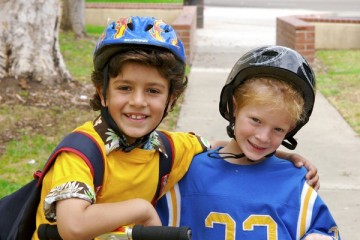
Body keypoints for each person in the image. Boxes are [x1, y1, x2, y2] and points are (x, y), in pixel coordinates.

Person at [33, 16, 318, 240]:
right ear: (102, 91)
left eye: (153, 91)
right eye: (124, 88)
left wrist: (284, 156)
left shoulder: (167, 148)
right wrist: (142, 210)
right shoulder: (81, 153)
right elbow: (73, 225)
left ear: (172, 99)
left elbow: (221, 146)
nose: (138, 101)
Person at [157, 46, 340, 240]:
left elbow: (324, 230)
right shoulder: (188, 171)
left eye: (278, 129)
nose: (263, 137)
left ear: (291, 128)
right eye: (255, 120)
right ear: (234, 107)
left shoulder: (295, 182)